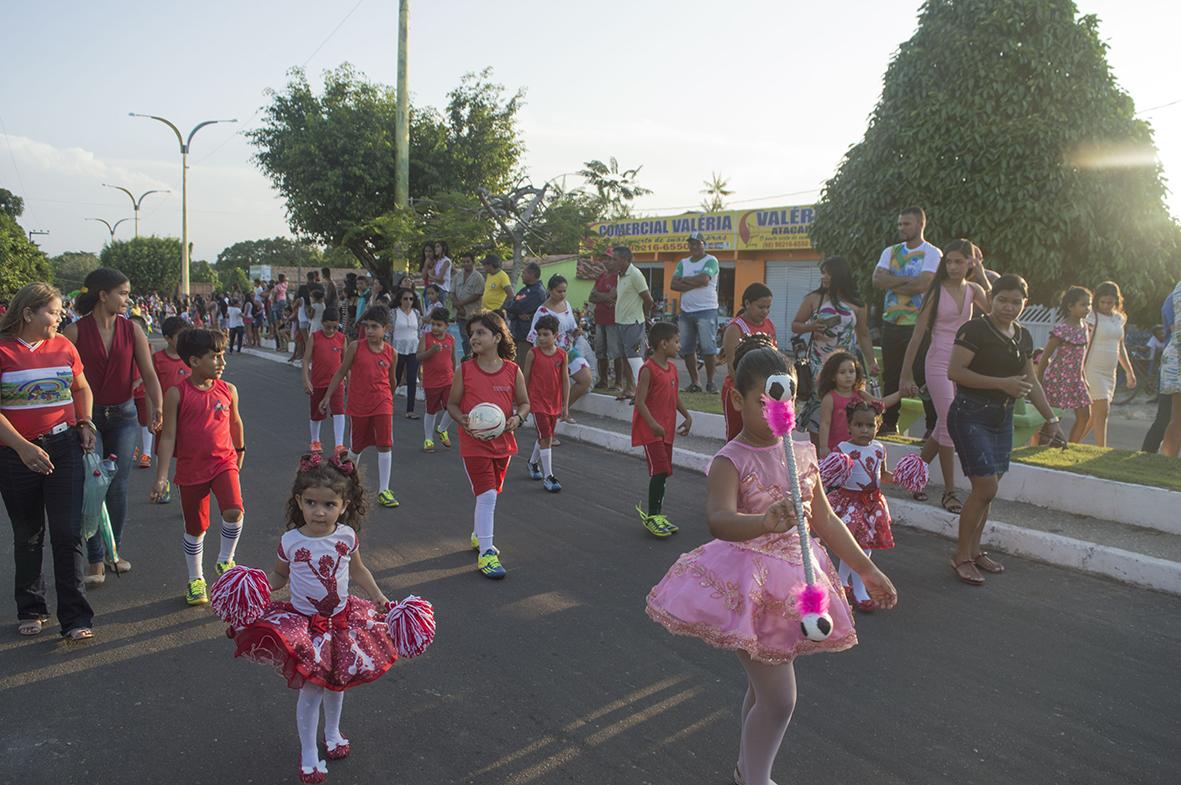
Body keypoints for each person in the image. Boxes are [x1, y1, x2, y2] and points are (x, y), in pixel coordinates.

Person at [645, 341, 897, 785]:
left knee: (765, 690)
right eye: (762, 401)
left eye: (787, 397)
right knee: (781, 699)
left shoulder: (802, 452)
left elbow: (826, 520)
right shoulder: (731, 459)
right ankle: (755, 779)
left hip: (796, 585)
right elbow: (718, 520)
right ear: (737, 400)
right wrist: (762, 520)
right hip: (749, 584)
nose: (776, 409)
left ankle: (749, 769)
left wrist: (866, 568)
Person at [228, 455, 397, 782]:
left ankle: (332, 734)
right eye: (311, 503)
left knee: (338, 683)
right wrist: (256, 591)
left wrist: (377, 595)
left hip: (343, 623)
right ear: (298, 502)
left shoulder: (347, 537)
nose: (320, 511)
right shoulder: (291, 542)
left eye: (329, 504)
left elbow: (359, 569)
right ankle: (308, 752)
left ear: (344, 505)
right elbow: (279, 577)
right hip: (306, 627)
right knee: (312, 690)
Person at [946, 274, 1065, 586]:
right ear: (992, 299)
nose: (1009, 307)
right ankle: (961, 556)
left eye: (1016, 302)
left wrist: (1051, 419)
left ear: (1024, 303)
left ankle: (974, 550)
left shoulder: (1023, 336)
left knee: (988, 492)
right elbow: (955, 372)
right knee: (985, 488)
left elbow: (1031, 381)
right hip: (970, 414)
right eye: (1003, 300)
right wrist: (1003, 384)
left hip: (1002, 419)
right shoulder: (974, 329)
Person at [0, 283, 96, 641]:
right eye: (53, 312)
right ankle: (31, 607)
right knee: (28, 535)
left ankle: (75, 617)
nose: (60, 318)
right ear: (28, 313)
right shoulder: (4, 349)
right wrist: (23, 447)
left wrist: (85, 421)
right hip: (14, 455)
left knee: (68, 533)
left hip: (64, 447)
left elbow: (81, 387)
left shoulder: (64, 346)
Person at [63, 267, 163, 585]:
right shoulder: (74, 332)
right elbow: (67, 383)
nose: (127, 299)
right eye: (122, 293)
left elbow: (148, 373)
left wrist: (157, 405)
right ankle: (94, 560)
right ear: (102, 295)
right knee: (93, 487)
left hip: (124, 416)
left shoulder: (132, 329)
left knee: (117, 487)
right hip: (88, 420)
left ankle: (112, 551)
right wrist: (79, 421)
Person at [150, 329, 245, 605]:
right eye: (215, 357)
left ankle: (225, 560)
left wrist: (240, 450)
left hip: (224, 462)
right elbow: (167, 436)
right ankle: (196, 580)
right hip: (191, 470)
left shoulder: (229, 390)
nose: (222, 362)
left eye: (223, 355)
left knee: (234, 509)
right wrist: (162, 477)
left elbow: (235, 422)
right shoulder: (176, 394)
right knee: (196, 527)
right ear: (193, 361)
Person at [898, 240, 991, 512]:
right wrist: (906, 375)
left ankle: (912, 476)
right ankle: (950, 492)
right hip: (938, 362)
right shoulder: (935, 291)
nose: (952, 266)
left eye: (959, 261)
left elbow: (996, 311)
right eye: (948, 261)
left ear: (969, 262)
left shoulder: (974, 290)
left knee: (944, 424)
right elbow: (917, 336)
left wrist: (982, 270)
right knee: (952, 423)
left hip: (963, 365)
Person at [447, 312, 530, 579]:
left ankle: (478, 534)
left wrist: (518, 418)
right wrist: (463, 420)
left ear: (497, 337)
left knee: (492, 493)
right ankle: (486, 553)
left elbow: (525, 403)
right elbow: (452, 404)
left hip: (503, 444)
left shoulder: (512, 371)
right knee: (488, 495)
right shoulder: (465, 370)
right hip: (474, 445)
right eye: (471, 333)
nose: (474, 338)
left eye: (480, 332)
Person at [320, 305, 399, 509]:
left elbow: (392, 381)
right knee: (356, 446)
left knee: (385, 444)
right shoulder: (356, 347)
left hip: (382, 402)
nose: (370, 331)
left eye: (375, 327)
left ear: (386, 328)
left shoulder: (392, 353)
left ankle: (384, 490)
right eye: (367, 326)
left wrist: (389, 399)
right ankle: (350, 480)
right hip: (359, 405)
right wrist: (327, 396)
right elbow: (340, 372)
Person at [872, 207, 942, 435]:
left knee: (923, 374)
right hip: (891, 322)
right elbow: (877, 280)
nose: (902, 228)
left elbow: (924, 285)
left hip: (919, 324)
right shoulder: (890, 251)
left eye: (907, 224)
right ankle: (889, 423)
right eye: (900, 224)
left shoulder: (932, 253)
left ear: (921, 224)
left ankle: (932, 426)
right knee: (891, 375)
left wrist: (892, 281)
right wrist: (909, 281)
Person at [793, 256, 878, 440]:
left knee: (847, 410)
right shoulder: (814, 299)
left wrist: (872, 362)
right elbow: (796, 325)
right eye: (822, 273)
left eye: (827, 273)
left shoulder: (857, 304)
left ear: (838, 275)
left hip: (847, 368)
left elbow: (863, 334)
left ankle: (843, 457)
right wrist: (811, 326)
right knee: (818, 412)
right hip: (819, 368)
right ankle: (819, 458)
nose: (823, 277)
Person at [827, 399, 897, 613]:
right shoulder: (843, 448)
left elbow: (882, 474)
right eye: (859, 425)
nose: (864, 430)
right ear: (849, 426)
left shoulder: (879, 449)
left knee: (862, 547)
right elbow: (831, 473)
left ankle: (841, 582)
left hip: (872, 504)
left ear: (878, 425)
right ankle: (859, 589)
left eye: (870, 425)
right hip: (850, 504)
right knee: (855, 546)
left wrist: (900, 477)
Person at [632, 321, 692, 538]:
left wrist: (686, 415)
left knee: (664, 472)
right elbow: (639, 402)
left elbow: (674, 396)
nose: (679, 345)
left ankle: (657, 514)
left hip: (666, 430)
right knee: (659, 470)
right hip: (652, 431)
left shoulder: (673, 369)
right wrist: (653, 424)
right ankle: (652, 516)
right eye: (676, 342)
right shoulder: (648, 369)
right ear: (662, 343)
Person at [526, 275, 593, 419]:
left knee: (586, 378)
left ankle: (562, 409)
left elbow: (571, 326)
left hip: (568, 350)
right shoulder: (542, 311)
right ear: (550, 290)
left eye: (564, 291)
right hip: (551, 354)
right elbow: (535, 337)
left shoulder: (566, 304)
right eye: (559, 291)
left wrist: (576, 331)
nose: (562, 294)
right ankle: (551, 418)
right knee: (553, 388)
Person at [1035, 286, 1094, 443]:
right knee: (1053, 419)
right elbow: (1045, 356)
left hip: (1076, 379)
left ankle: (1072, 446)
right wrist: (1038, 381)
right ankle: (1040, 448)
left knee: (1085, 415)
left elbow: (1082, 357)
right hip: (1058, 378)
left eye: (1089, 304)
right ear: (1070, 306)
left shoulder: (1086, 328)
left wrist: (1084, 378)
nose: (1087, 308)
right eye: (1083, 304)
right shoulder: (1061, 329)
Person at [816, 351, 901, 457]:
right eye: (842, 372)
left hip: (858, 448)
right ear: (833, 376)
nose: (848, 376)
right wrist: (823, 447)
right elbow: (825, 423)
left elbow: (880, 403)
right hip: (837, 449)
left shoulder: (860, 394)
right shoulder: (829, 398)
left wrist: (900, 393)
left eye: (851, 371)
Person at [721, 283, 777, 441]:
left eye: (768, 307)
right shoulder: (735, 328)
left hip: (765, 392)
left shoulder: (769, 325)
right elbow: (733, 367)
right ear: (747, 303)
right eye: (761, 307)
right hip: (739, 391)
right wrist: (750, 390)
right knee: (737, 436)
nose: (765, 312)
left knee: (764, 436)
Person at [1083, 281, 1136, 447]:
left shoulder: (1119, 319)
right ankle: (1101, 449)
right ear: (1097, 300)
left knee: (1096, 415)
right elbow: (1084, 343)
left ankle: (1072, 442)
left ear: (1116, 301)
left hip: (1110, 371)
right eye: (1103, 302)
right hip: (1092, 368)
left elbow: (1120, 346)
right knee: (1103, 410)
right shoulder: (1091, 317)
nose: (1106, 305)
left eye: (1110, 302)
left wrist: (1129, 371)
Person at [670, 231, 721, 393]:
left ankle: (711, 383)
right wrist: (695, 281)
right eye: (691, 243)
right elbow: (673, 284)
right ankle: (695, 382)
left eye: (697, 243)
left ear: (703, 244)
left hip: (706, 310)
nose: (694, 246)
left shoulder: (711, 260)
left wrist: (684, 280)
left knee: (708, 347)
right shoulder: (683, 263)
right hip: (686, 311)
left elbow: (705, 279)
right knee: (686, 349)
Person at [523, 314, 569, 492]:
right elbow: (524, 378)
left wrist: (565, 405)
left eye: (545, 334)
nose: (541, 338)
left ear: (556, 335)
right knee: (547, 437)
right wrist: (523, 402)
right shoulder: (532, 354)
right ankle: (549, 476)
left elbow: (565, 381)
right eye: (538, 334)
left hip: (554, 403)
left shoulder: (561, 355)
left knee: (544, 436)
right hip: (537, 402)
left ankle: (532, 463)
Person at [610, 245, 655, 399]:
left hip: (633, 323)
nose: (612, 262)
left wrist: (644, 316)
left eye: (615, 259)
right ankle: (630, 389)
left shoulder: (635, 274)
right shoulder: (620, 275)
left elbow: (648, 300)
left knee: (635, 358)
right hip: (620, 322)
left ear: (625, 260)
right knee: (625, 358)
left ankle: (644, 392)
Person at [303, 307, 348, 455]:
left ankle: (339, 444)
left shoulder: (341, 338)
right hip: (318, 381)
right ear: (322, 323)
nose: (331, 330)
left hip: (337, 383)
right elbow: (306, 360)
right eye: (328, 327)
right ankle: (315, 440)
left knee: (339, 411)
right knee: (316, 413)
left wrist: (348, 378)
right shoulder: (315, 337)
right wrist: (306, 379)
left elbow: (346, 362)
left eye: (335, 327)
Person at [417, 307, 457, 452]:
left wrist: (455, 375)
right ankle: (428, 439)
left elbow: (452, 360)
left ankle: (442, 429)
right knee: (431, 411)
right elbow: (418, 356)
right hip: (431, 382)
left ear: (446, 326)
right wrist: (431, 351)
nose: (435, 327)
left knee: (453, 407)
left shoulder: (450, 339)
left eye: (439, 325)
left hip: (448, 380)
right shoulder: (426, 338)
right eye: (433, 324)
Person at [1154, 279, 1181, 457]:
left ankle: (1167, 460)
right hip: (1178, 355)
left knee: (1177, 418)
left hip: (1174, 354)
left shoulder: (1177, 288)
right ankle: (1167, 459)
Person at [588, 265, 624, 393]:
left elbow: (613, 295)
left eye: (611, 259)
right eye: (606, 258)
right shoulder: (601, 276)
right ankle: (603, 380)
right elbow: (591, 297)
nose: (608, 261)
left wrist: (599, 295)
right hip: (599, 318)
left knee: (615, 352)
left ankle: (618, 382)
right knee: (600, 351)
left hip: (613, 319)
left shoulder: (618, 277)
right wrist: (606, 297)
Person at [392, 289, 422, 420]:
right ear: (400, 300)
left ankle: (410, 410)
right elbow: (388, 331)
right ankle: (387, 404)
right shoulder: (394, 313)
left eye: (411, 299)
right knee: (395, 377)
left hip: (413, 348)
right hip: (397, 349)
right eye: (405, 299)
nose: (408, 301)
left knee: (411, 378)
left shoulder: (416, 313)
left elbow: (419, 330)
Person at [505, 261, 545, 354]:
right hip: (517, 333)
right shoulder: (525, 290)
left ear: (532, 274)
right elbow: (510, 305)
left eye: (524, 273)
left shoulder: (536, 292)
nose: (521, 275)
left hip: (526, 336)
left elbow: (517, 306)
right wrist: (516, 313)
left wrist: (513, 308)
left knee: (523, 364)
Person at [451, 252, 485, 356]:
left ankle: (474, 357)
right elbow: (452, 292)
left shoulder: (478, 277)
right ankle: (467, 358)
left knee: (473, 337)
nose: (466, 264)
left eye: (468, 261)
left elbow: (478, 294)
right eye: (464, 262)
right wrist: (458, 306)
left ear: (473, 262)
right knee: (463, 338)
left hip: (472, 313)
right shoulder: (458, 276)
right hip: (460, 313)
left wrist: (462, 303)